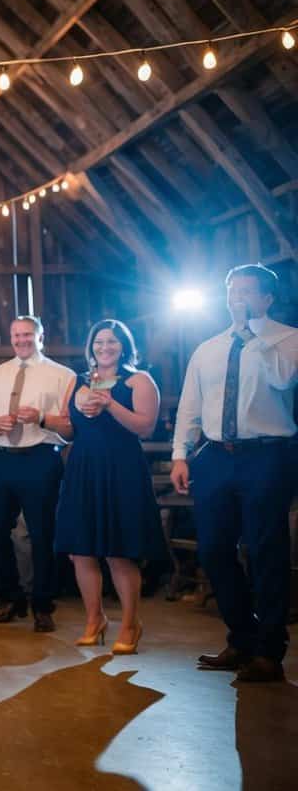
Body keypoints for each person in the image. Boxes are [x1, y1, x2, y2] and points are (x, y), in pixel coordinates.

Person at [171, 264, 298, 682]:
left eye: (246, 291)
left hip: (267, 454)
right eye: (231, 291)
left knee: (266, 550)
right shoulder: (207, 347)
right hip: (215, 456)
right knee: (213, 550)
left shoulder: (287, 339)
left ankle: (268, 650)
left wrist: (253, 336)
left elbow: (282, 380)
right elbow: (191, 403)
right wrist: (180, 454)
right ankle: (241, 637)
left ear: (266, 299)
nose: (236, 298)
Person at [57, 320, 167, 654]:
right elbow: (68, 430)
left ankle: (131, 623)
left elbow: (145, 427)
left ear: (124, 346)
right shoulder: (77, 381)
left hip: (121, 469)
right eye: (99, 342)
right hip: (83, 468)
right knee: (81, 550)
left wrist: (109, 403)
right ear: (90, 347)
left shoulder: (139, 380)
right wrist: (48, 421)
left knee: (118, 551)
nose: (105, 348)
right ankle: (95, 619)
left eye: (112, 342)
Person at [0, 316, 74, 632]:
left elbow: (70, 424)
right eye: (16, 335)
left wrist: (43, 418)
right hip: (1, 457)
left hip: (40, 458)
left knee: (43, 533)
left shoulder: (62, 375)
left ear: (40, 336)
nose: (22, 340)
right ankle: (11, 597)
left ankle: (43, 604)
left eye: (28, 334)